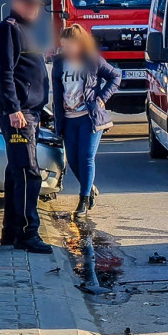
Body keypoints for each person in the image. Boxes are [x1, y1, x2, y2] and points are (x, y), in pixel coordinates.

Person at [0, 0, 51, 254]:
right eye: (34, 5)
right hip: (20, 114)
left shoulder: (25, 30)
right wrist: (14, 109)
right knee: (28, 173)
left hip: (30, 112)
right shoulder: (9, 29)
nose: (37, 10)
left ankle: (11, 232)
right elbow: (3, 73)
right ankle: (28, 234)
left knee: (17, 173)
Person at [51, 24, 121, 218]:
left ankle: (83, 199)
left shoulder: (92, 60)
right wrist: (57, 119)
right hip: (68, 118)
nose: (67, 51)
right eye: (64, 47)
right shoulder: (59, 63)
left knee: (86, 157)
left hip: (89, 117)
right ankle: (89, 187)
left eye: (70, 46)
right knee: (72, 159)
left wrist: (101, 98)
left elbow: (116, 76)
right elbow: (57, 94)